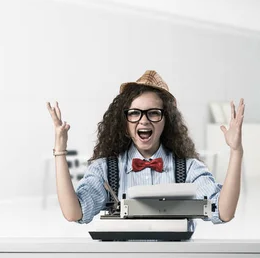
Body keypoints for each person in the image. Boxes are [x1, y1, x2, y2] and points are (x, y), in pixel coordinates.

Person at [46, 70, 245, 225]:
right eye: (135, 113)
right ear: (124, 121)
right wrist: (60, 150)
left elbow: (223, 211)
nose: (144, 120)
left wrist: (236, 151)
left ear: (167, 120)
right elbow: (74, 213)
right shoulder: (105, 169)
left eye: (153, 113)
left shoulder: (189, 169)